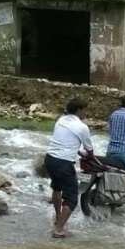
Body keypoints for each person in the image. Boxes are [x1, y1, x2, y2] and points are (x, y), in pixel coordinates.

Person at [45, 98, 94, 238]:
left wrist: (77, 151)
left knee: (57, 187)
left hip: (50, 159)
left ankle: (58, 218)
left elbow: (64, 141)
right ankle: (59, 229)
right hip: (64, 163)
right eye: (85, 109)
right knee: (72, 198)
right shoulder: (82, 127)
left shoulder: (61, 120)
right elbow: (89, 150)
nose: (86, 112)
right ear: (79, 110)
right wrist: (88, 155)